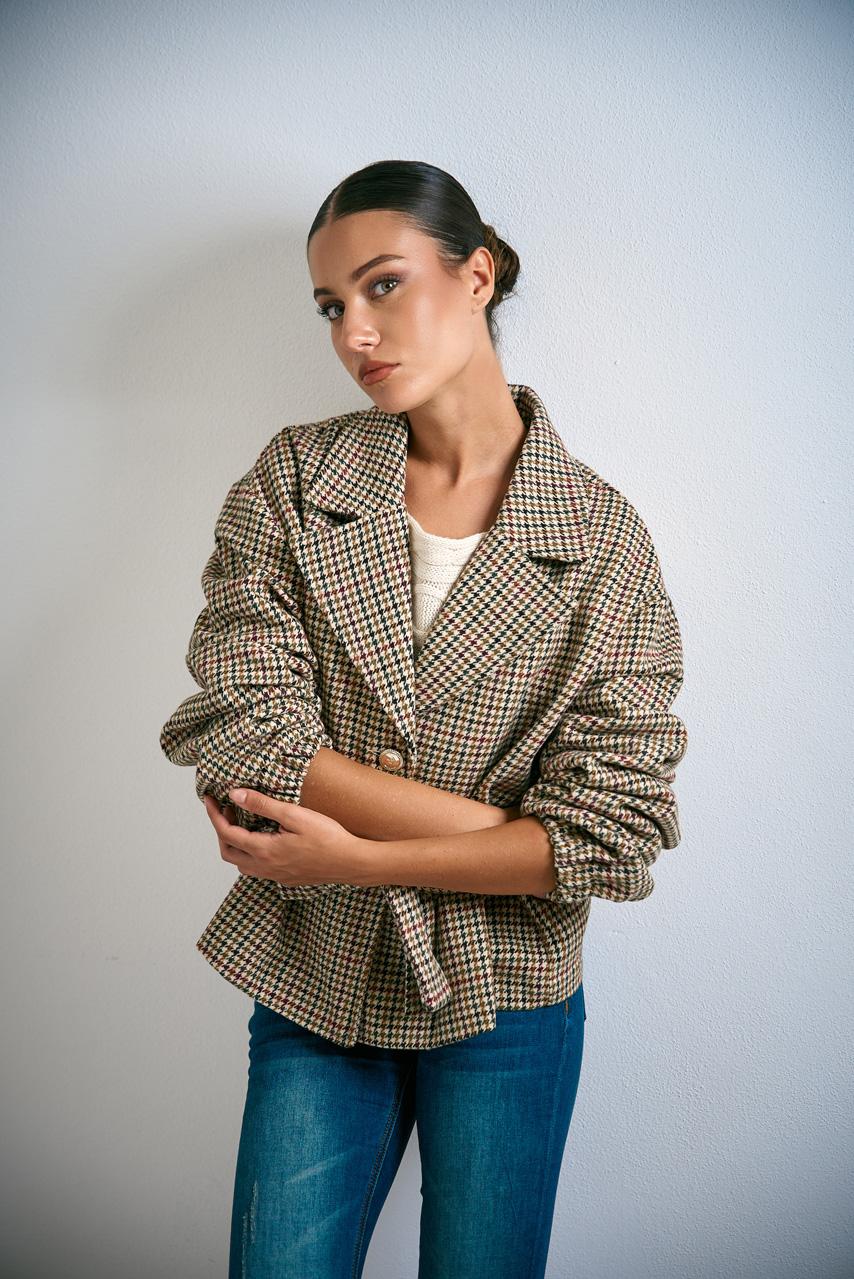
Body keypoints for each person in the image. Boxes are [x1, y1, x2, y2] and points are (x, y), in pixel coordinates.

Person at [159, 159, 689, 1278]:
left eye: (383, 284)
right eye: (329, 306)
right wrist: (503, 833)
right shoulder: (294, 480)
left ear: (477, 275)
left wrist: (353, 855)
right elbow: (241, 729)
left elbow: (613, 836)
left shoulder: (600, 539)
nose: (355, 332)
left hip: (507, 994)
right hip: (318, 972)